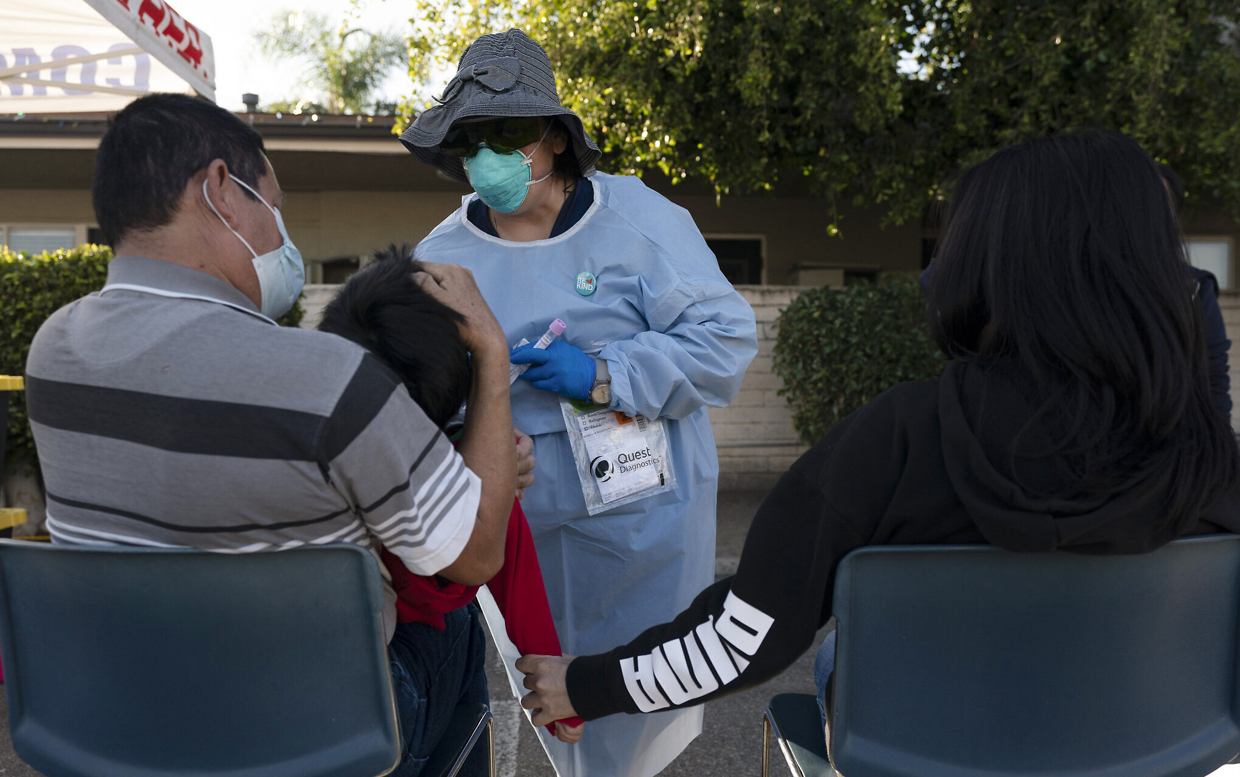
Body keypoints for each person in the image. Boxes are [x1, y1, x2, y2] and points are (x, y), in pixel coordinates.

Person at [515, 132, 1240, 739]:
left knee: (842, 659)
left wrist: (587, 683)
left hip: (929, 749)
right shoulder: (1206, 454)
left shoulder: (898, 440)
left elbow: (742, 638)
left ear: (979, 265)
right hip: (1146, 747)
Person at [24, 93, 520, 777]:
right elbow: (474, 552)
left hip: (115, 722)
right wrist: (491, 354)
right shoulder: (330, 379)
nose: (281, 235)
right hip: (308, 740)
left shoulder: (53, 352)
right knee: (459, 623)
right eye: (274, 206)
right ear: (223, 192)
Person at [398, 28, 758, 777]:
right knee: (555, 706)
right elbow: (413, 398)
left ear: (556, 140)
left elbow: (723, 342)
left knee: (636, 699)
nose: (490, 155)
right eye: (473, 138)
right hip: (517, 534)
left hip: (642, 526)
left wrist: (602, 372)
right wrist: (473, 431)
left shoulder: (638, 221)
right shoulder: (440, 257)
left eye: (509, 133)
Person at [317, 246, 585, 744]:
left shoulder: (313, 430)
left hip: (299, 666)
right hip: (400, 664)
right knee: (463, 629)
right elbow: (511, 568)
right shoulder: (455, 482)